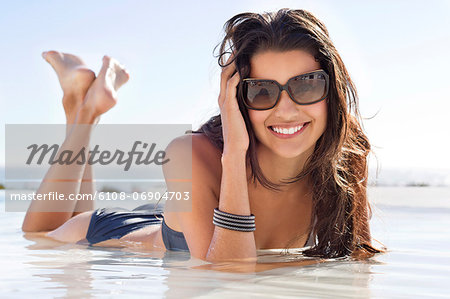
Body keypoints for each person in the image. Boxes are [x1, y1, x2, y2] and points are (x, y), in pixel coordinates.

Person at [22, 8, 384, 263]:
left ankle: (83, 100)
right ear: (237, 98)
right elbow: (228, 274)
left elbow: (361, 257)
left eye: (306, 85)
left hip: (173, 213)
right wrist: (234, 155)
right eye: (262, 91)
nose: (286, 110)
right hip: (113, 232)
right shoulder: (190, 155)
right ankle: (84, 112)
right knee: (40, 234)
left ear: (332, 90)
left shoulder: (346, 153)